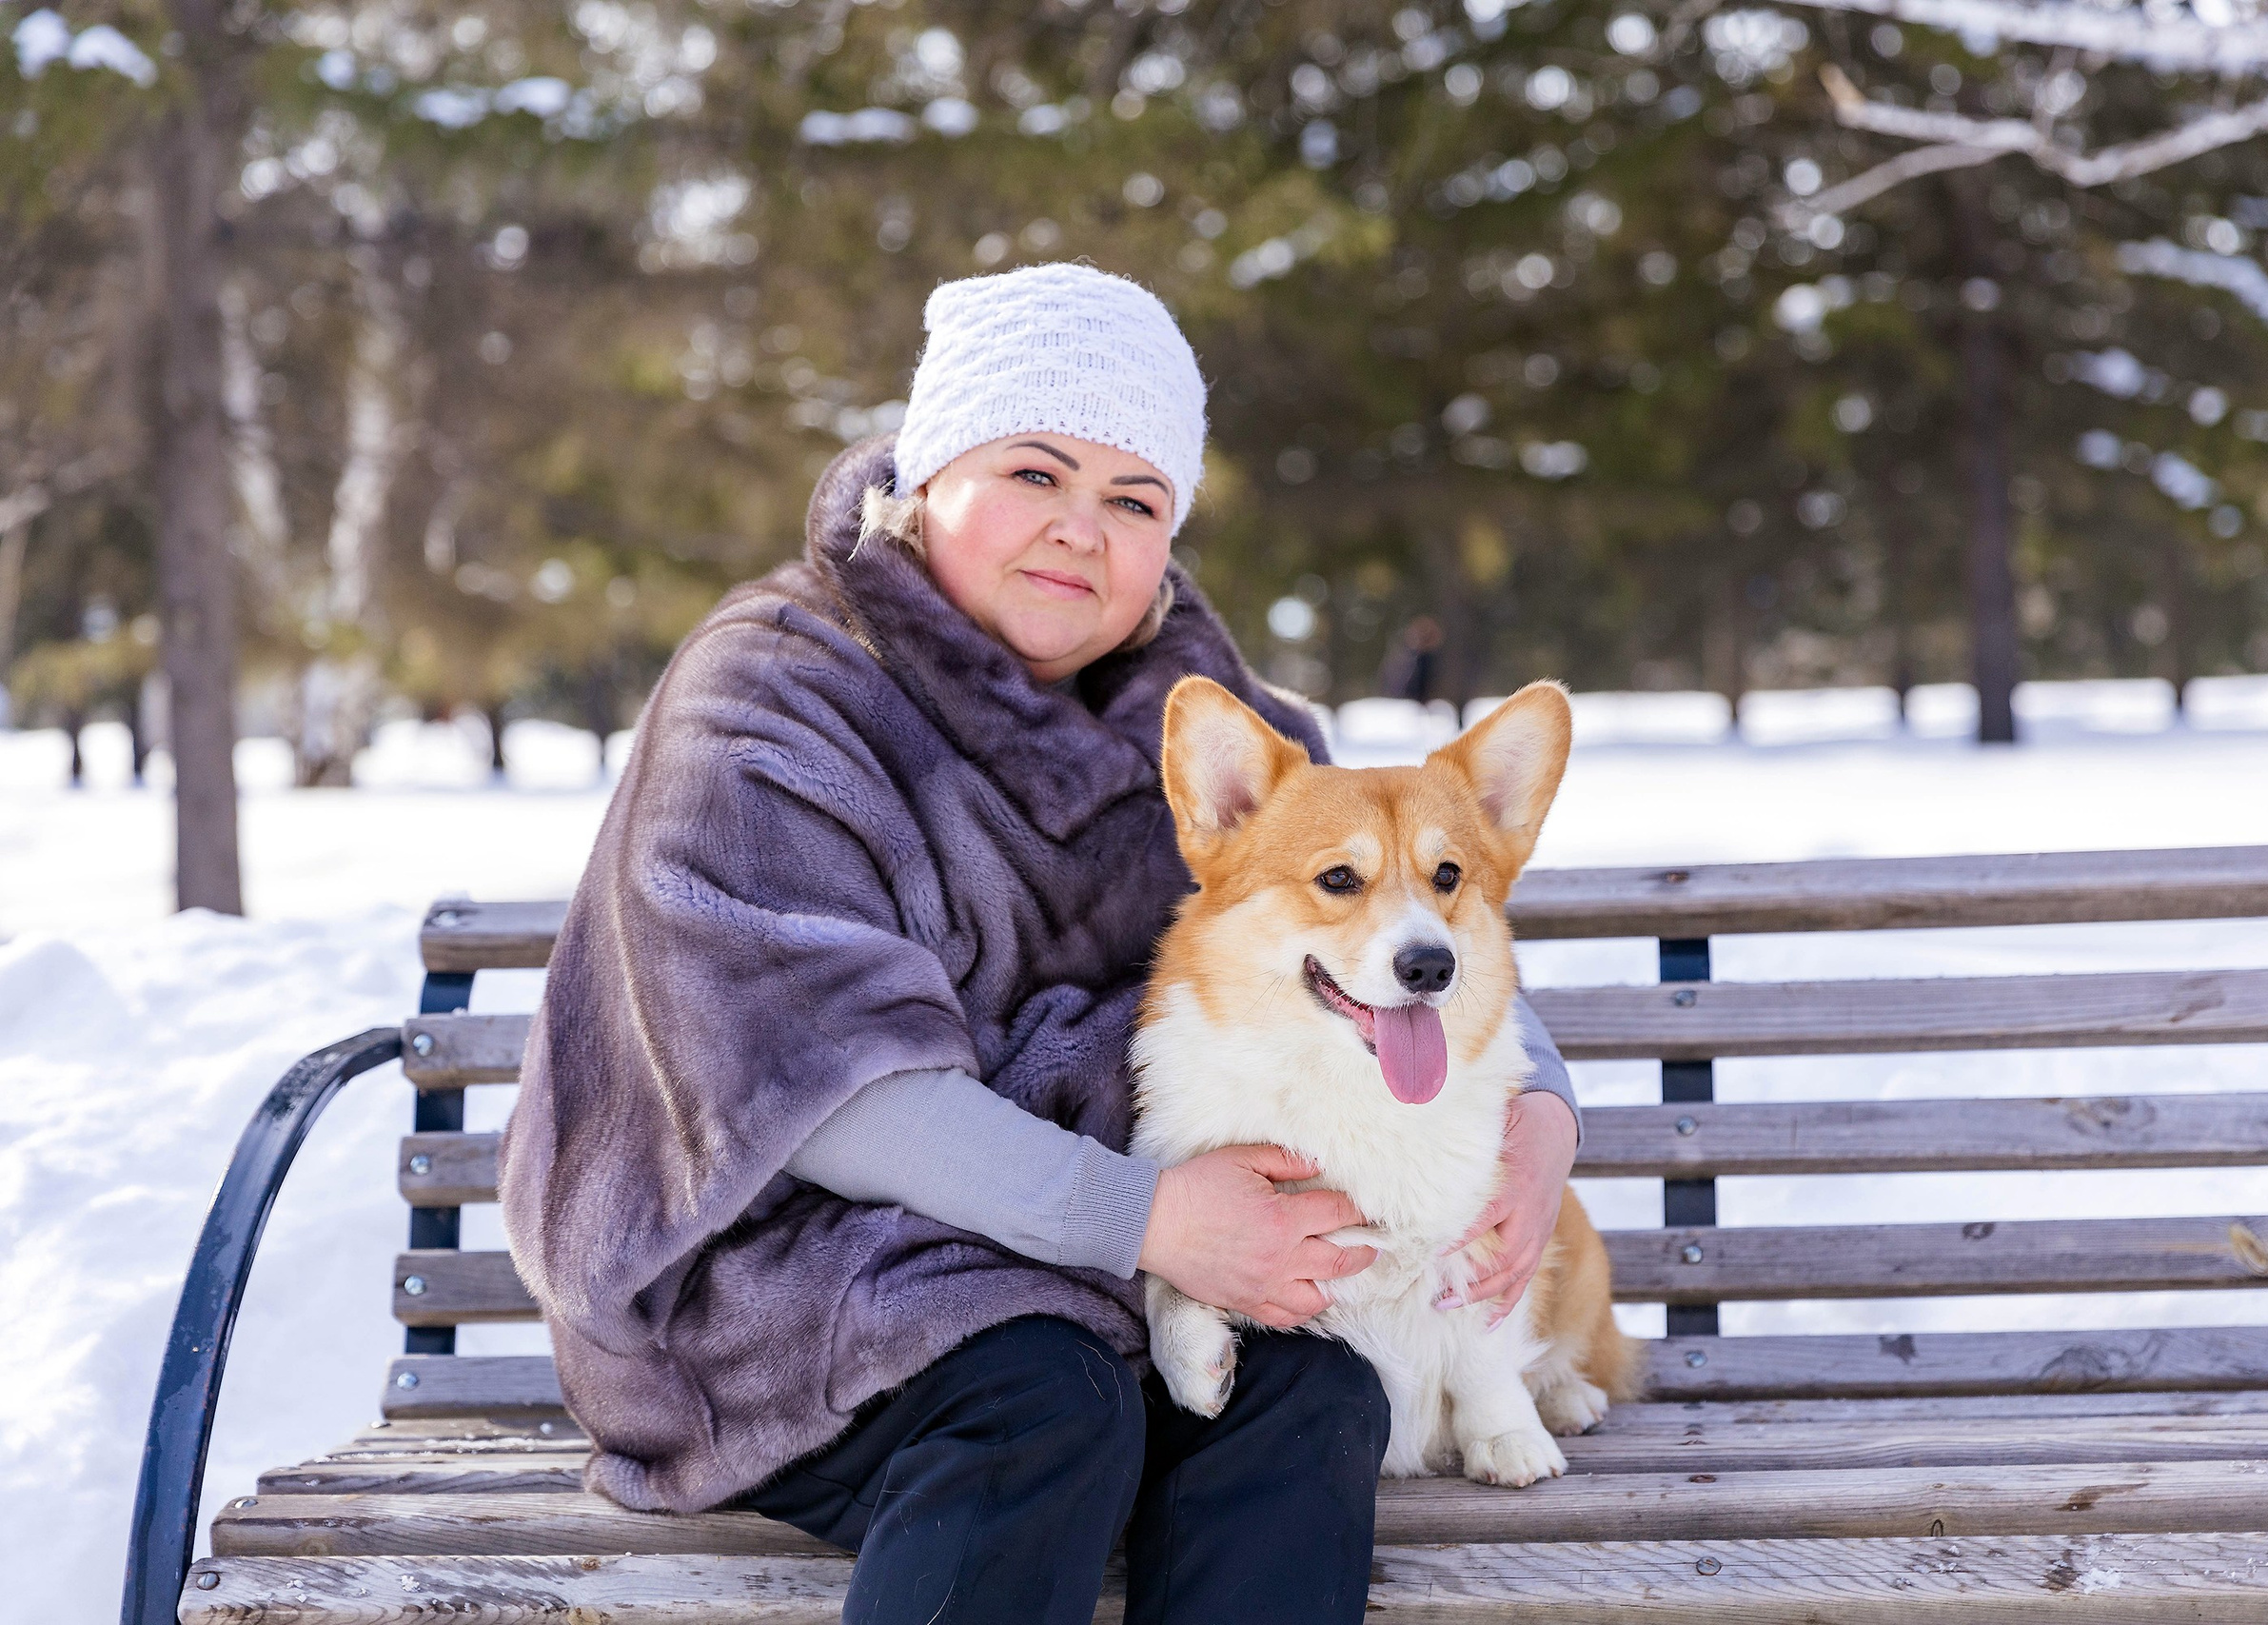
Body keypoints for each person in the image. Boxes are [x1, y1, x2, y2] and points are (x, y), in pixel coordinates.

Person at [500, 263, 1584, 1625]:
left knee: (1310, 1391)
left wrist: (1538, 1112)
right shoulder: (772, 702)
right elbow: (819, 1091)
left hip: (1090, 1262)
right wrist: (1153, 1220)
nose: (1081, 531)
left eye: (1133, 501)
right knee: (1042, 1401)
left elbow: (1405, 916)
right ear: (933, 470)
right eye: (1035, 471)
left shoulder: (1213, 716)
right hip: (776, 1288)